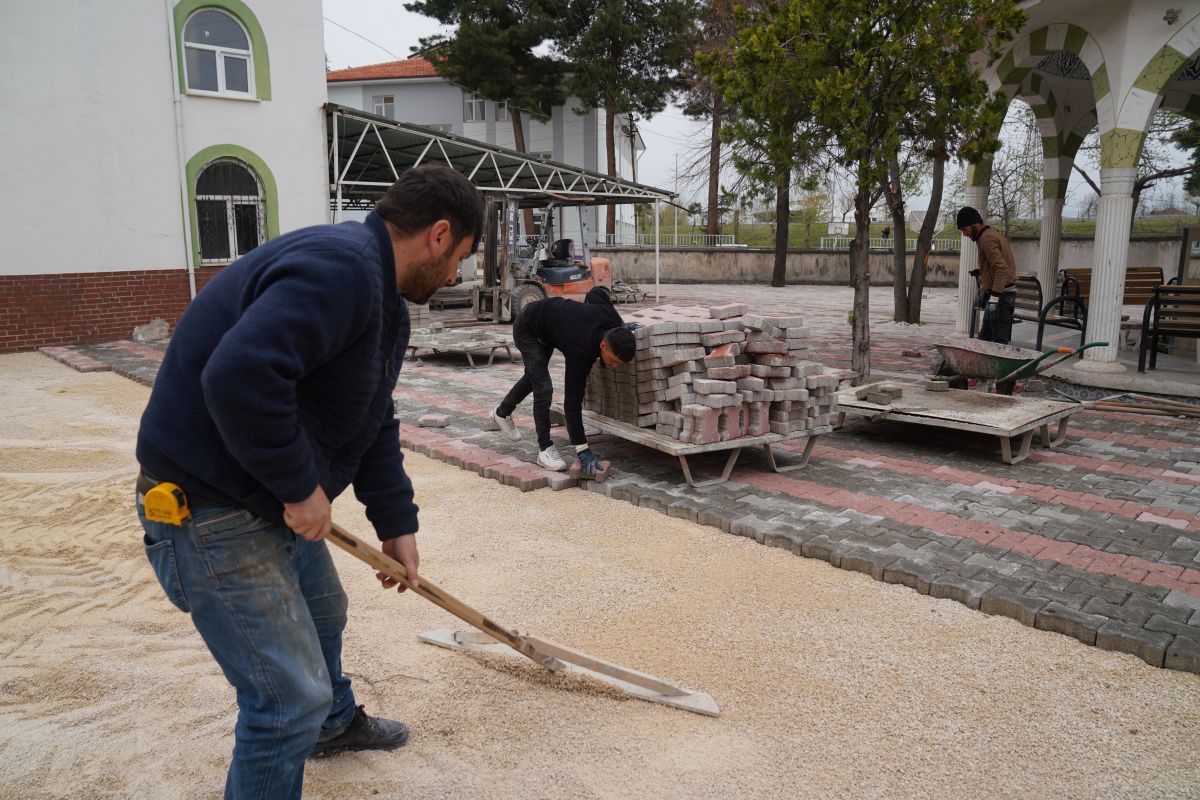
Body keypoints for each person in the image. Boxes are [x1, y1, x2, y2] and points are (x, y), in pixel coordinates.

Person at [135, 164, 484, 799]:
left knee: (325, 610)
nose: (455, 275)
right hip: (208, 500)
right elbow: (238, 376)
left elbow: (373, 415)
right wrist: (299, 488)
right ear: (439, 235)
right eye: (459, 258)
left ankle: (331, 727)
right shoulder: (341, 270)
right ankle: (306, 722)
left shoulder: (381, 298)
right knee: (286, 699)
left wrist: (396, 523)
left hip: (256, 488)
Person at [489, 288, 636, 475]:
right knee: (543, 388)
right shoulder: (580, 352)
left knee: (534, 377)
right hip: (527, 328)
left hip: (548, 327)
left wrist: (622, 326)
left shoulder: (611, 319)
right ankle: (544, 450)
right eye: (613, 360)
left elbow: (596, 293)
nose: (614, 366)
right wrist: (582, 449)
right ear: (603, 345)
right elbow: (572, 402)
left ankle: (501, 413)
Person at [957, 205, 1019, 392]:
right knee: (984, 340)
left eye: (965, 230)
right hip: (1001, 293)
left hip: (1002, 296)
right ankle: (982, 382)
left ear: (974, 225)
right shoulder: (991, 234)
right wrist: (983, 274)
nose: (965, 234)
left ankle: (1004, 390)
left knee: (999, 346)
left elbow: (1002, 269)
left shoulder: (986, 239)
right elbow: (995, 266)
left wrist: (994, 297)